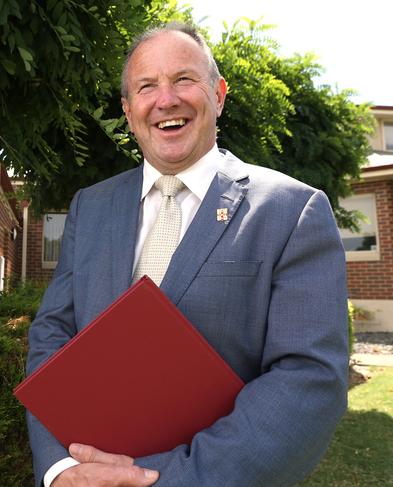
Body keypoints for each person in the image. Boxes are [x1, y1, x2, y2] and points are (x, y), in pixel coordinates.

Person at [25, 22, 348, 487]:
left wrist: (164, 479)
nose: (166, 100)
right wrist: (60, 470)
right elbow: (52, 336)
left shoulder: (293, 211)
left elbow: (307, 380)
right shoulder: (89, 207)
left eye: (183, 80)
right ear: (128, 109)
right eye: (146, 86)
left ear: (217, 94)